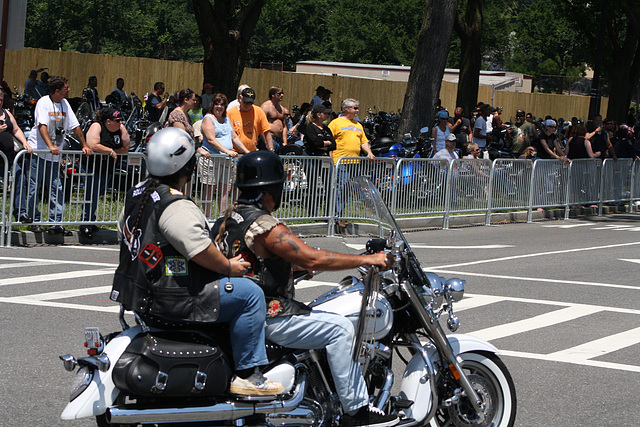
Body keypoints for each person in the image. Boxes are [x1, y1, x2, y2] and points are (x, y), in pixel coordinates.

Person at [211, 151, 399, 427]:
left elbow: (254, 263)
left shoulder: (229, 218)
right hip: (267, 313)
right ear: (269, 192)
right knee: (341, 329)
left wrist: (293, 269)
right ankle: (357, 412)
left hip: (239, 312)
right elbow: (311, 257)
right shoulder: (264, 225)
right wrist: (368, 259)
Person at [110, 127, 283, 397]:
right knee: (250, 294)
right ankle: (249, 374)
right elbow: (200, 249)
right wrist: (229, 267)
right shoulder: (175, 203)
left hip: (142, 294)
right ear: (187, 167)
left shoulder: (138, 194)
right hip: (173, 297)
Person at [27, 76, 92, 235]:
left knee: (57, 187)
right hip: (40, 152)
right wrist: (49, 146)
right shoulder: (43, 102)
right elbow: (42, 126)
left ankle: (56, 223)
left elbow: (75, 125)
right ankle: (33, 220)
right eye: (66, 88)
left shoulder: (64, 103)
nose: (68, 90)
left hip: (55, 156)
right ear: (57, 90)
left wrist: (84, 144)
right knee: (34, 186)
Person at [80, 107, 130, 239]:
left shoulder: (121, 129)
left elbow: (125, 147)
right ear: (108, 121)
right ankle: (85, 223)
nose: (120, 122)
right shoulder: (97, 126)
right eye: (117, 120)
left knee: (99, 191)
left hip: (107, 167)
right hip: (92, 166)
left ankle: (91, 220)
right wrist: (110, 151)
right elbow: (92, 145)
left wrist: (110, 151)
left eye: (121, 120)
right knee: (91, 193)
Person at [198, 93, 250, 216]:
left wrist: (247, 152)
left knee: (226, 189)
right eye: (217, 103)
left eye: (222, 104)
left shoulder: (226, 118)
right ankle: (208, 217)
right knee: (210, 188)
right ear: (212, 105)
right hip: (212, 158)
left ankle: (223, 216)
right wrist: (227, 151)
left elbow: (234, 137)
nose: (219, 107)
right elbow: (211, 139)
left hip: (227, 160)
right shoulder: (208, 118)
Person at [329, 98, 374, 228]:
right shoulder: (335, 123)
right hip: (340, 161)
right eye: (355, 108)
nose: (357, 110)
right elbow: (330, 141)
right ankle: (337, 216)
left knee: (348, 190)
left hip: (354, 162)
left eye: (357, 108)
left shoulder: (358, 125)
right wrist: (331, 158)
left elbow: (363, 141)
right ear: (347, 109)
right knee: (340, 188)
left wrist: (369, 153)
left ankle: (341, 215)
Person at [0, 90, 34, 224]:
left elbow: (16, 129)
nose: (0, 102)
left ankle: (20, 212)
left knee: (20, 178)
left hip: (8, 160)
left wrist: (25, 143)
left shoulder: (6, 113)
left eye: (1, 99)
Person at [227, 87, 273, 152]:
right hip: (235, 153)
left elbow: (266, 132)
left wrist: (271, 149)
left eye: (250, 103)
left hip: (252, 152)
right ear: (240, 99)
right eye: (245, 102)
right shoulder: (230, 113)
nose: (247, 105)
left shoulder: (258, 111)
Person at [260, 86, 288, 154]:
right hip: (270, 139)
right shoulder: (266, 106)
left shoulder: (281, 108)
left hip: (279, 141)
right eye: (279, 93)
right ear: (273, 95)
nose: (282, 95)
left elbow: (284, 127)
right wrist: (267, 142)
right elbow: (261, 125)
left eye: (282, 93)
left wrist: (285, 142)